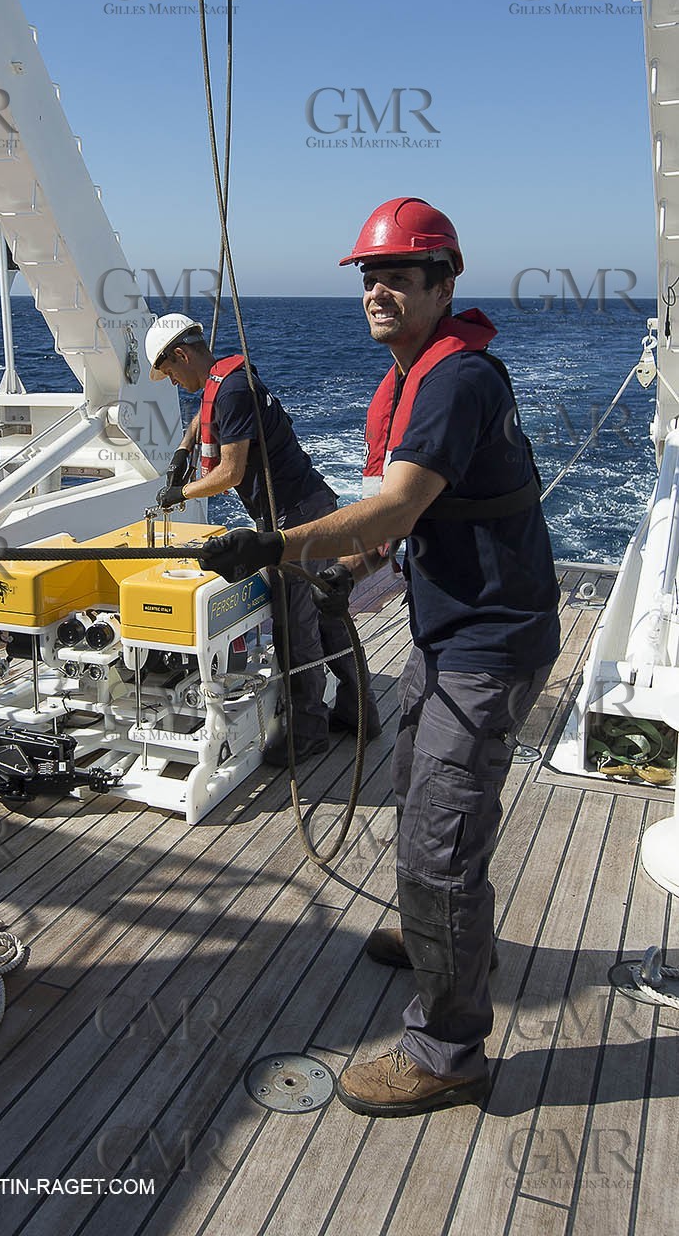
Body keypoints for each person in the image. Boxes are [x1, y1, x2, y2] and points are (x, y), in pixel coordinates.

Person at [196, 198, 560, 1117]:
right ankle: (430, 934)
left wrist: (281, 549)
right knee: (414, 790)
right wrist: (348, 564)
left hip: (489, 640)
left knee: (439, 838)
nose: (377, 290)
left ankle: (446, 1050)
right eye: (368, 276)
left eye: (398, 275)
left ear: (445, 283)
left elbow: (399, 507)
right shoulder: (413, 378)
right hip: (451, 629)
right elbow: (409, 524)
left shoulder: (453, 382)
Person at [145, 312, 380, 763]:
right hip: (308, 505)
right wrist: (182, 451)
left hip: (296, 516)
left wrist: (180, 491)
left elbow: (230, 472)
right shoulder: (224, 380)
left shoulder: (231, 390)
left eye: (171, 371)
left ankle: (308, 731)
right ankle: (359, 712)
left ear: (180, 354)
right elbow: (203, 414)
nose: (173, 381)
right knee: (326, 615)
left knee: (296, 625)